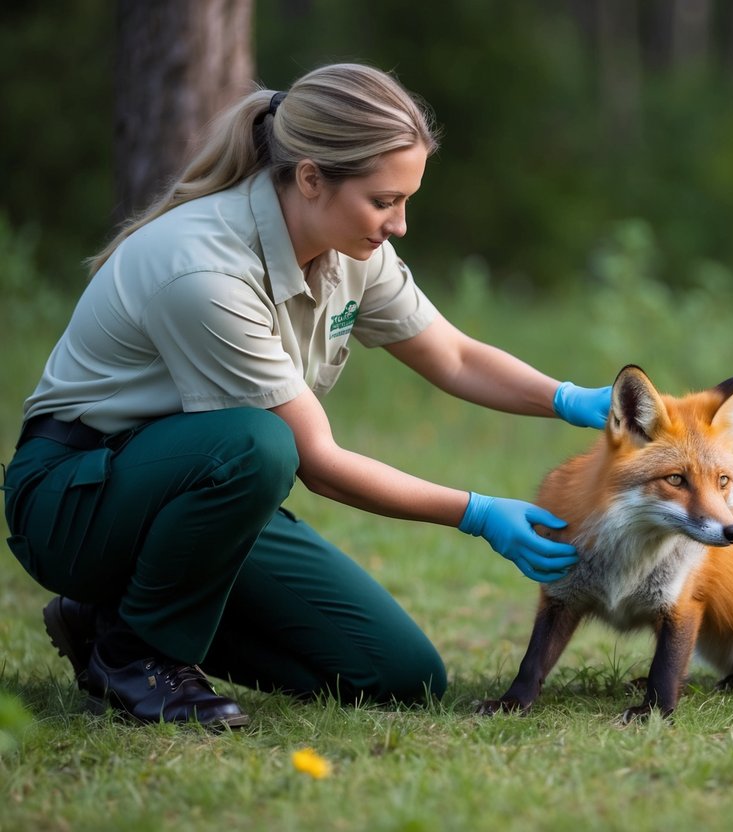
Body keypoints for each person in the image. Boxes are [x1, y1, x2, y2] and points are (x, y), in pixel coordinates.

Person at [2, 63, 610, 729]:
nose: (400, 224)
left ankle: (105, 616)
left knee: (400, 675)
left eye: (406, 200)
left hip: (194, 503)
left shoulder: (350, 249)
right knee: (260, 444)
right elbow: (316, 462)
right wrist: (478, 514)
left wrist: (571, 398)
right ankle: (133, 658)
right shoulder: (205, 271)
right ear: (312, 178)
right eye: (384, 201)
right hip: (75, 502)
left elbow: (454, 356)